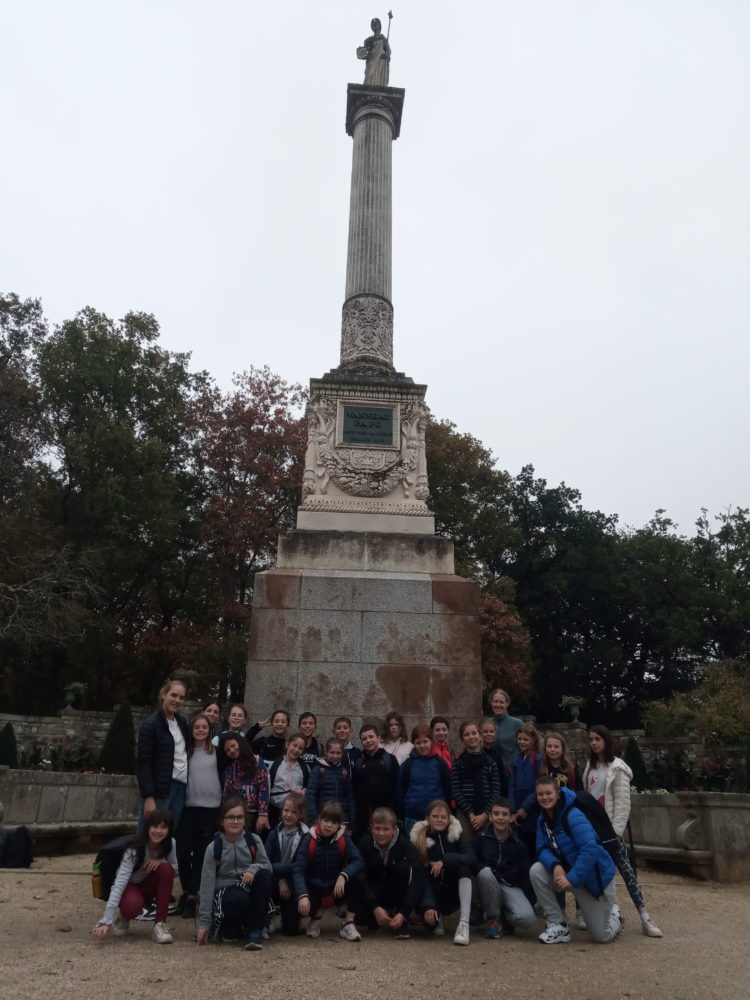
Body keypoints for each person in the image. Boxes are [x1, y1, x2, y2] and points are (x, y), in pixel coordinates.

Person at [582, 725, 663, 937]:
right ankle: (593, 912)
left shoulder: (618, 767)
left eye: (597, 739)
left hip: (610, 831)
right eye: (590, 739)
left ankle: (645, 918)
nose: (593, 743)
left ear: (606, 741)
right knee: (590, 870)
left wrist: (615, 832)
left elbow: (623, 804)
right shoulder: (589, 766)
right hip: (592, 829)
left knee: (628, 874)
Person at [530, 776, 621, 944]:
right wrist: (556, 866)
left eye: (548, 793)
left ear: (557, 794)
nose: (545, 797)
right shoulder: (542, 818)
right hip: (568, 874)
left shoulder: (573, 815)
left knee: (601, 936)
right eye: (540, 794)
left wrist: (571, 879)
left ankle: (614, 915)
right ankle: (558, 925)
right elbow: (541, 848)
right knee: (536, 871)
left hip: (594, 880)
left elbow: (590, 848)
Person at [196, 797, 272, 950]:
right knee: (237, 899)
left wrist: (253, 869)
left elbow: (268, 867)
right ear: (222, 821)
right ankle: (231, 928)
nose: (235, 821)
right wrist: (204, 924)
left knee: (264, 876)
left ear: (245, 821)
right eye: (230, 817)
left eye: (239, 817)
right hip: (226, 894)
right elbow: (206, 885)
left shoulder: (254, 840)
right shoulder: (214, 847)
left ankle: (255, 932)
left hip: (249, 887)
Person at [92, 808, 177, 944]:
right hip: (130, 886)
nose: (158, 831)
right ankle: (124, 916)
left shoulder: (170, 843)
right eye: (155, 826)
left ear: (169, 830)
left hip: (148, 885)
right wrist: (107, 920)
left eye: (163, 827)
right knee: (132, 906)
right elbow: (120, 882)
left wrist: (160, 860)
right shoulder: (134, 848)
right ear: (147, 827)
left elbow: (175, 870)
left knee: (167, 869)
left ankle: (160, 925)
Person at [353, 807, 430, 939]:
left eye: (386, 829)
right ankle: (376, 915)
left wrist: (404, 911)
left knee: (404, 868)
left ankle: (401, 920)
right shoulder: (364, 843)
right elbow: (359, 876)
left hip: (396, 892)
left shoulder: (404, 844)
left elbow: (419, 876)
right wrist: (375, 907)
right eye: (377, 828)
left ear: (394, 829)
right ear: (371, 827)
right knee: (360, 918)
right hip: (375, 891)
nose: (381, 833)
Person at [292, 800, 365, 941]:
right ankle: (316, 916)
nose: (329, 825)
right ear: (319, 819)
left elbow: (358, 860)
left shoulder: (344, 839)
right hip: (314, 887)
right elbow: (298, 869)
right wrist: (302, 895)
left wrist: (344, 875)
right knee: (299, 901)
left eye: (333, 822)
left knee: (359, 877)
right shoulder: (308, 839)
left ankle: (348, 923)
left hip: (336, 887)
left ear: (339, 825)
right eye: (326, 820)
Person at [175, 713, 222, 919]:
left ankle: (192, 896)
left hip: (212, 810)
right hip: (188, 809)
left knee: (203, 855)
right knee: (183, 853)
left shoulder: (218, 753)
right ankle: (186, 890)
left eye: (204, 727)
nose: (201, 730)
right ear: (191, 730)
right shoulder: (185, 752)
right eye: (197, 727)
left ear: (209, 730)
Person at [410, 799, 475, 946]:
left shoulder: (456, 833)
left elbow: (471, 857)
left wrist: (445, 860)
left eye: (443, 817)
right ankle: (435, 912)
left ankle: (464, 924)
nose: (439, 820)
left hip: (451, 890)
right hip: (431, 890)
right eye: (435, 816)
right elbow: (420, 875)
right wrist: (428, 905)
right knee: (432, 929)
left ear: (449, 818)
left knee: (463, 867)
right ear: (427, 818)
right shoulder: (418, 837)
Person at [474, 797, 535, 938]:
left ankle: (504, 919)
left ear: (512, 817)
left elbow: (525, 872)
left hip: (509, 886)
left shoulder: (518, 843)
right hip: (488, 883)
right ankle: (492, 919)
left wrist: (529, 900)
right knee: (485, 873)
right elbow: (472, 861)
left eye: (504, 814)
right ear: (490, 816)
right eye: (496, 814)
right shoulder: (481, 838)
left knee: (527, 918)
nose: (500, 818)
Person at [136, 678, 189, 829]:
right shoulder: (150, 724)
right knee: (149, 835)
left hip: (180, 788)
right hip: (160, 790)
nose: (177, 700)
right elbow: (143, 762)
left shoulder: (182, 723)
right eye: (174, 695)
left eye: (181, 697)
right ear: (163, 695)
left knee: (169, 836)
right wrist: (148, 797)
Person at [264, 792, 308, 936]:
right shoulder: (274, 833)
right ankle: (268, 916)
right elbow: (266, 863)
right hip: (275, 881)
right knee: (263, 878)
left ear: (301, 814)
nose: (289, 815)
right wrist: (281, 881)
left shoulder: (305, 836)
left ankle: (293, 915)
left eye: (294, 812)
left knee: (290, 930)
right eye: (286, 810)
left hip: (294, 883)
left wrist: (287, 881)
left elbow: (300, 866)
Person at [451, 720, 502, 837]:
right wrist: (470, 814)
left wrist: (484, 815)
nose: (471, 737)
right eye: (467, 734)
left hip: (487, 812)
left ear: (480, 736)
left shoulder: (490, 763)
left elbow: (495, 790)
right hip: (465, 814)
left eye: (474, 733)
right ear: (462, 739)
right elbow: (455, 790)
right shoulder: (459, 763)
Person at [397, 725, 451, 832]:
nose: (422, 746)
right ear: (414, 744)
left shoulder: (440, 764)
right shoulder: (408, 765)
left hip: (437, 817)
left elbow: (448, 789)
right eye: (418, 743)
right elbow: (400, 790)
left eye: (425, 741)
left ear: (431, 741)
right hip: (413, 817)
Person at [353, 723, 399, 835]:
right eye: (364, 739)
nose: (368, 740)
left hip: (387, 810)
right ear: (361, 742)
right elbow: (355, 789)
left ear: (379, 738)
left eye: (371, 737)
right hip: (365, 815)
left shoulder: (390, 759)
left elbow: (397, 786)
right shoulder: (359, 763)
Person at [220, 734, 270, 834]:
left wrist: (263, 815)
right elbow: (227, 792)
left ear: (240, 743)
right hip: (235, 815)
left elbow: (264, 788)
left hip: (254, 814)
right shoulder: (230, 767)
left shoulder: (257, 761)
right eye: (227, 750)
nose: (232, 750)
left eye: (233, 745)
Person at [306, 737, 357, 829]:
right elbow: (311, 795)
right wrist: (314, 820)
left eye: (338, 753)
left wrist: (352, 823)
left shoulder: (344, 771)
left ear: (342, 753)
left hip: (341, 820)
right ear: (326, 752)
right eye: (332, 752)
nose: (335, 756)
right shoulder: (318, 770)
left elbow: (349, 797)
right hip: (322, 819)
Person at [508, 723, 543, 848]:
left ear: (533, 740)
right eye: (520, 739)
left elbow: (539, 787)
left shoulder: (539, 759)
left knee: (532, 840)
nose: (522, 742)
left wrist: (525, 808)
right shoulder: (515, 759)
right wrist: (512, 810)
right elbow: (511, 785)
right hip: (516, 805)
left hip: (533, 807)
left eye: (526, 739)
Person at [267, 732, 309, 827]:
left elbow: (308, 788)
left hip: (296, 813)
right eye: (294, 745)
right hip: (275, 811)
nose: (296, 750)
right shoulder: (274, 765)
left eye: (300, 748)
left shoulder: (305, 768)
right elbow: (267, 789)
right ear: (287, 744)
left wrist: (303, 792)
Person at [489, 688, 522, 778]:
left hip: (513, 773)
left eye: (501, 702)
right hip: (492, 775)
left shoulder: (517, 724)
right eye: (495, 701)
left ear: (507, 704)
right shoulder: (487, 724)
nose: (498, 705)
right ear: (491, 703)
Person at [356, 17, 391, 86]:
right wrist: (364, 52)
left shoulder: (383, 39)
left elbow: (388, 51)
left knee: (379, 77)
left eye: (376, 24)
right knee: (369, 76)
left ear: (379, 26)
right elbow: (364, 52)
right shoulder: (369, 40)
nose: (374, 25)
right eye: (373, 24)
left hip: (381, 61)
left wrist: (386, 54)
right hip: (372, 61)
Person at [480, 718, 508, 796]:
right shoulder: (478, 753)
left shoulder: (496, 753)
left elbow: (501, 777)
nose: (489, 734)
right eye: (485, 732)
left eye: (491, 731)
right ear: (480, 734)